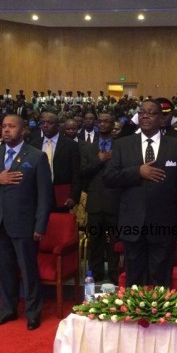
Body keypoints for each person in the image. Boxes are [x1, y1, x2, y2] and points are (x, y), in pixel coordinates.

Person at [103, 99, 177, 287]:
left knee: (160, 282)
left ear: (161, 118)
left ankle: (159, 316)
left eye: (151, 112)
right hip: (132, 223)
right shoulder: (123, 144)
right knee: (134, 282)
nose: (145, 115)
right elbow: (109, 178)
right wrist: (137, 172)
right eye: (142, 112)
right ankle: (136, 317)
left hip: (163, 224)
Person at [0, 115, 52, 331]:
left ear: (22, 130)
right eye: (4, 126)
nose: (6, 130)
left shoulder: (36, 157)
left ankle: (33, 312)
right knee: (4, 269)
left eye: (12, 126)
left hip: (25, 224)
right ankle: (7, 310)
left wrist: (40, 226)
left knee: (28, 270)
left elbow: (45, 196)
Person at [80, 113, 120, 284]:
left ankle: (114, 273)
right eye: (101, 121)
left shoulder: (121, 146)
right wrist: (99, 160)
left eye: (107, 121)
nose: (103, 124)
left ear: (113, 125)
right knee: (95, 240)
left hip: (114, 201)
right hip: (95, 201)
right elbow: (82, 172)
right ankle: (95, 273)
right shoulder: (88, 147)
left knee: (114, 240)